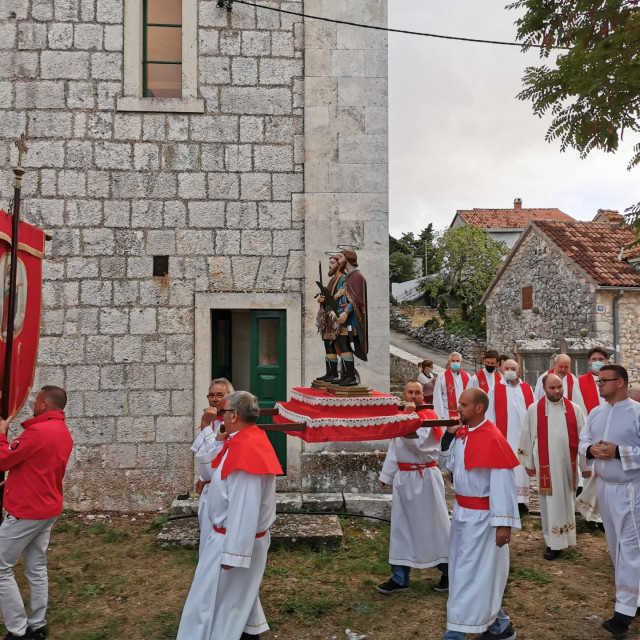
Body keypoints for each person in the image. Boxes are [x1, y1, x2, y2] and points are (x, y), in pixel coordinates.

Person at [177, 391, 283, 640]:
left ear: (234, 415)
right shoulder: (242, 439)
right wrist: (217, 438)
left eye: (223, 411)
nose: (220, 415)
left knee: (215, 604)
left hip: (231, 541)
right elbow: (210, 469)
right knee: (233, 603)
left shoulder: (247, 451)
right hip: (225, 537)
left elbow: (245, 506)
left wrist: (234, 555)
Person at [439, 388, 520, 640]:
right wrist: (447, 438)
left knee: (470, 575)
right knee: (467, 573)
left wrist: (503, 524)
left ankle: (455, 633)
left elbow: (503, 485)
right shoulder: (463, 435)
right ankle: (500, 626)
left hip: (483, 519)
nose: (458, 409)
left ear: (479, 408)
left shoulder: (492, 439)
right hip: (463, 515)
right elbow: (447, 465)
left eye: (463, 405)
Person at [0, 386, 73, 640]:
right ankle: (37, 625)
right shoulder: (63, 432)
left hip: (26, 511)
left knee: (1, 568)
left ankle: (18, 631)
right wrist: (12, 482)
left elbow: (3, 459)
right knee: (36, 566)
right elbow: (40, 468)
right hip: (47, 508)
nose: (33, 403)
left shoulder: (38, 431)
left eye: (35, 399)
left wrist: (0, 435)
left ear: (43, 403)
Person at [578, 364, 640, 638]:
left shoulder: (637, 413)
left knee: (631, 547)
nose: (599, 384)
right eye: (598, 380)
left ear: (621, 383)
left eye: (604, 380)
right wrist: (590, 449)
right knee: (615, 547)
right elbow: (583, 440)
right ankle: (634, 600)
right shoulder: (595, 412)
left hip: (630, 489)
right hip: (604, 487)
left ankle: (623, 615)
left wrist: (618, 452)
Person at [377, 380, 450, 595]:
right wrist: (387, 474)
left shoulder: (429, 418)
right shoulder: (402, 419)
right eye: (410, 392)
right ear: (404, 394)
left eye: (417, 392)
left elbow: (421, 446)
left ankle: (448, 572)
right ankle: (400, 577)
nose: (413, 396)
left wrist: (407, 418)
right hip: (404, 479)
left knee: (437, 526)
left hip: (426, 478)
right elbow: (395, 446)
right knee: (401, 528)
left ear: (422, 396)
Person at [519, 373, 589, 560]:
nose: (557, 391)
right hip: (547, 468)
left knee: (567, 501)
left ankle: (567, 536)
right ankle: (552, 542)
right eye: (553, 388)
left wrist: (585, 465)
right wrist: (528, 462)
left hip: (567, 466)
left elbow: (584, 439)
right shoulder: (535, 410)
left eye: (560, 387)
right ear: (544, 389)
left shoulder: (574, 409)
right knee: (550, 504)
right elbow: (526, 435)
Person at [191, 378, 234, 554]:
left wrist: (206, 424)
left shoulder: (231, 422)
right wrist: (203, 477)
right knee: (206, 531)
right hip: (209, 485)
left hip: (224, 485)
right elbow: (204, 456)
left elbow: (217, 454)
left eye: (220, 395)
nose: (214, 399)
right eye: (211, 395)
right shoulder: (211, 419)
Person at [487, 359, 535, 514]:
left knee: (522, 467)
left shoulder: (527, 388)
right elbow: (490, 414)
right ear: (501, 369)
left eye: (513, 368)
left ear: (519, 371)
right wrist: (494, 434)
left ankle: (521, 502)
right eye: (507, 368)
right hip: (504, 436)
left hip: (524, 435)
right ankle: (508, 500)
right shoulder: (495, 388)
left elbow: (532, 411)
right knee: (508, 468)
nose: (510, 370)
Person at [575, 347, 609, 526]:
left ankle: (602, 514)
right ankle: (589, 513)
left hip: (610, 434)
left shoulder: (612, 380)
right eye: (594, 358)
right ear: (588, 362)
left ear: (606, 361)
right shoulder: (580, 382)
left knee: (605, 476)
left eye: (601, 358)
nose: (598, 361)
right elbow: (579, 408)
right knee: (591, 476)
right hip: (591, 434)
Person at [333, 249, 368, 386]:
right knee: (342, 344)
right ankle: (346, 375)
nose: (339, 260)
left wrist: (346, 312)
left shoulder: (357, 276)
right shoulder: (347, 277)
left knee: (346, 344)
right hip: (343, 316)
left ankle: (350, 376)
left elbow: (357, 299)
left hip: (351, 319)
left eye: (341, 257)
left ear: (347, 259)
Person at [314, 255, 346, 383]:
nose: (329, 265)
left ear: (339, 265)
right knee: (328, 345)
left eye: (332, 263)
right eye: (329, 263)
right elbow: (324, 298)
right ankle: (331, 373)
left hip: (336, 316)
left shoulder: (343, 279)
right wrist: (325, 298)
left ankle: (344, 374)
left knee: (340, 346)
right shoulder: (332, 280)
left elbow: (341, 297)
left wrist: (331, 297)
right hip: (326, 316)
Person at [433, 352, 469, 420]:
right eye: (453, 361)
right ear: (449, 362)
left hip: (464, 414)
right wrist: (440, 416)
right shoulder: (441, 377)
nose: (455, 363)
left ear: (461, 362)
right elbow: (437, 397)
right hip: (447, 414)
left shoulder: (467, 376)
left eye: (457, 361)